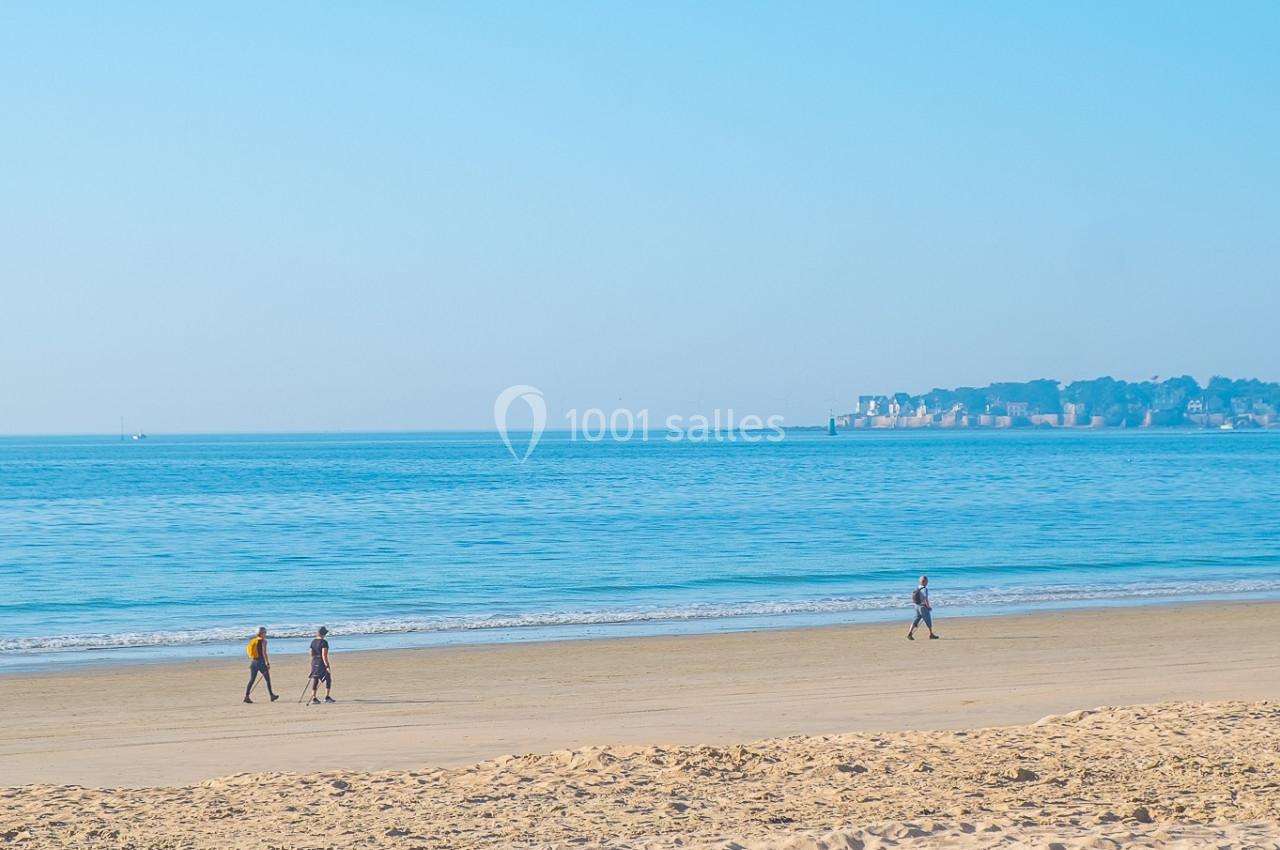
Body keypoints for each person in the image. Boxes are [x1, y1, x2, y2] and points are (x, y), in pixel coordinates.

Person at [244, 626, 280, 703]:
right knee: (267, 680)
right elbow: (264, 652)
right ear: (261, 633)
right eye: (265, 632)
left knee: (252, 680)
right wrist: (267, 662)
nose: (265, 634)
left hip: (253, 662)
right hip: (261, 662)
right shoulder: (263, 641)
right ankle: (271, 696)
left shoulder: (253, 641)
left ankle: (246, 696)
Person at [308, 626, 335, 704]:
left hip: (314, 662)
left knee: (315, 679)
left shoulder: (313, 641)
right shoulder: (324, 642)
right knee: (328, 678)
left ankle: (314, 698)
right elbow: (324, 655)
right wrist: (327, 665)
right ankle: (327, 697)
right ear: (324, 634)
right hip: (321, 662)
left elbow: (311, 653)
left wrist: (314, 661)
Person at [907, 576, 938, 640]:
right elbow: (925, 599)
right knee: (928, 620)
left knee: (916, 619)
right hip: (923, 607)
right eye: (927, 581)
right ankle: (931, 634)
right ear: (925, 582)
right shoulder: (924, 589)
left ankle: (909, 633)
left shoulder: (917, 588)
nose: (927, 583)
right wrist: (928, 607)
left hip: (917, 606)